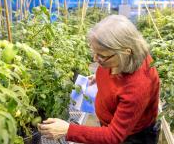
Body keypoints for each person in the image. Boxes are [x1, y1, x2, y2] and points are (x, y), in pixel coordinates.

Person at [38, 15, 161, 144]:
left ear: (126, 52)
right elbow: (115, 74)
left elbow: (113, 136)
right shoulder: (125, 56)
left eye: (102, 56)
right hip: (108, 123)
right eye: (94, 52)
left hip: (132, 137)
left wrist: (68, 130)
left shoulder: (138, 86)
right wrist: (100, 77)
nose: (96, 59)